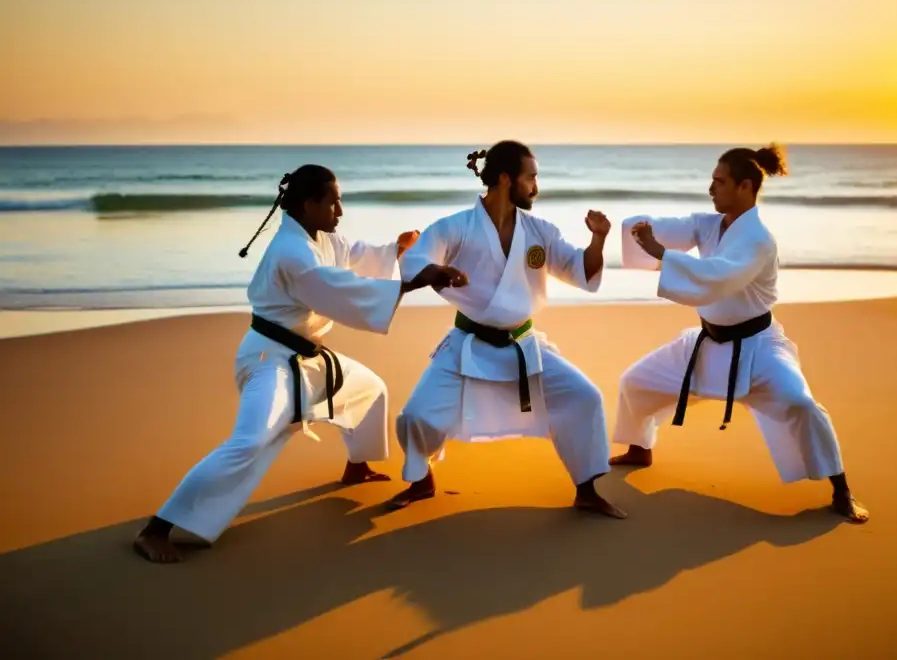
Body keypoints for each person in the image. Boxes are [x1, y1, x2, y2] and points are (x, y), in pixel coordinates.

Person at [133, 164, 467, 563]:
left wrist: (394, 250)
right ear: (309, 204)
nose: (340, 211)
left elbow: (354, 255)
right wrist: (414, 281)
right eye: (334, 203)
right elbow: (338, 287)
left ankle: (356, 467)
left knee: (370, 389)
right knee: (251, 441)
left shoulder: (318, 236)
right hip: (268, 359)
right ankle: (157, 528)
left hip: (307, 356)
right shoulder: (292, 254)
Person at [610, 144, 869, 523]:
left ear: (745, 186)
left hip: (759, 348)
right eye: (712, 180)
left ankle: (841, 490)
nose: (711, 188)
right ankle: (639, 448)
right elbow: (674, 229)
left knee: (800, 404)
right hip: (707, 343)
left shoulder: (758, 241)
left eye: (719, 181)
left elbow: (719, 275)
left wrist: (662, 254)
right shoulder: (709, 224)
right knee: (634, 382)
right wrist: (640, 229)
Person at [387, 140, 626, 518]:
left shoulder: (540, 231)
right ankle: (421, 480)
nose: (536, 186)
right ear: (504, 178)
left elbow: (579, 269)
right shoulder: (455, 228)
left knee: (585, 397)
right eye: (530, 177)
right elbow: (415, 262)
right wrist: (441, 271)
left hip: (523, 344)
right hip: (468, 343)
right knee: (417, 415)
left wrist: (598, 239)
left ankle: (586, 488)